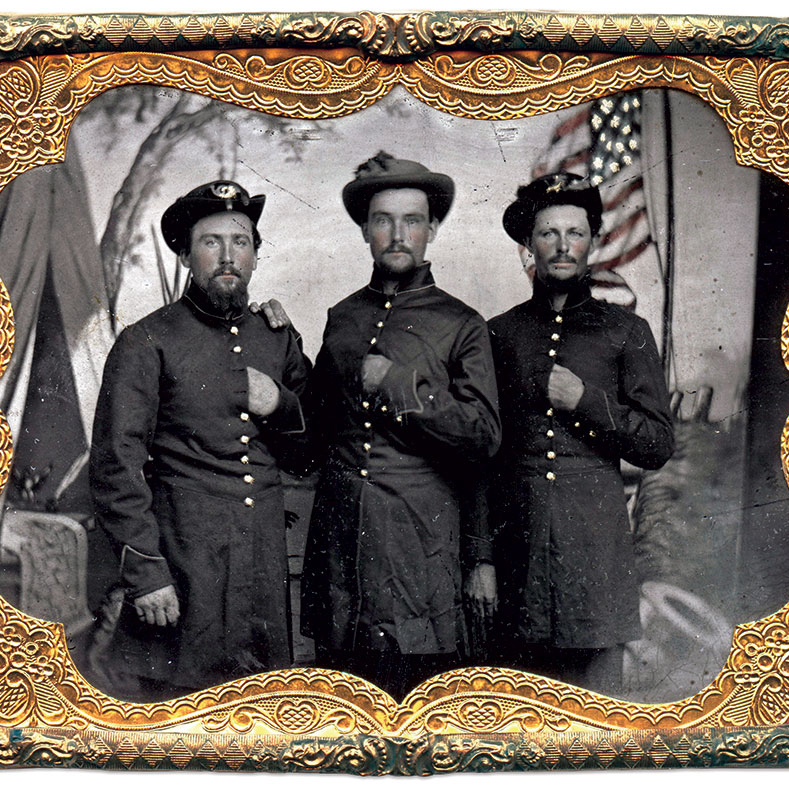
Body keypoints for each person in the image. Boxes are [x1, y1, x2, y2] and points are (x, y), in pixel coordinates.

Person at [90, 180, 311, 700]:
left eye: (241, 241)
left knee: (260, 722)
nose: (228, 255)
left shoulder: (277, 336)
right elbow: (115, 465)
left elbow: (308, 454)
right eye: (211, 242)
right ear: (186, 254)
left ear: (256, 254)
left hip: (261, 572)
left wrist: (280, 404)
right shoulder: (147, 341)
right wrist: (146, 574)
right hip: (183, 573)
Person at [299, 152, 501, 699]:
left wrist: (397, 384)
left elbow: (483, 435)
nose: (398, 234)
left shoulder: (462, 324)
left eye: (412, 221)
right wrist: (274, 338)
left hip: (420, 555)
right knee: (338, 716)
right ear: (365, 229)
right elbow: (312, 430)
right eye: (384, 220)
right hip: (339, 554)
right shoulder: (341, 317)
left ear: (432, 230)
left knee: (417, 712)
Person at [486, 172, 674, 692]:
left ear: (593, 241)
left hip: (595, 563)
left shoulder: (627, 332)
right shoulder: (499, 333)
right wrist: (481, 557)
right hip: (517, 562)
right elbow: (483, 456)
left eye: (575, 232)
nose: (562, 246)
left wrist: (586, 401)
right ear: (529, 246)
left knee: (598, 725)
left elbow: (658, 444)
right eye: (548, 233)